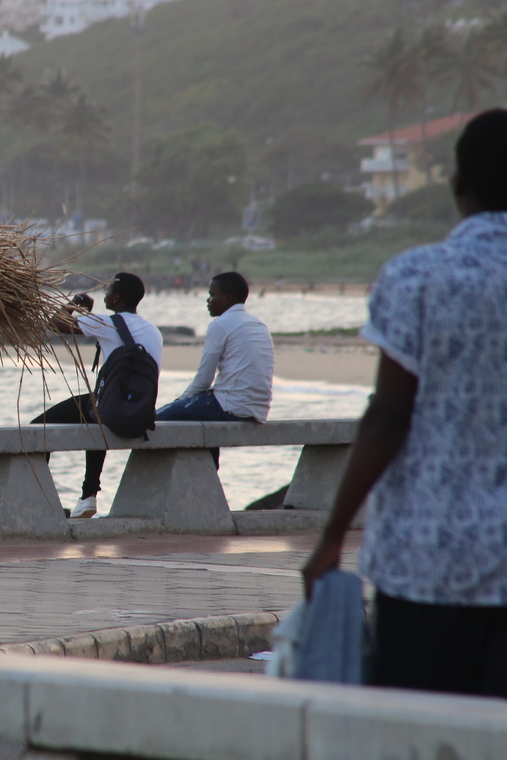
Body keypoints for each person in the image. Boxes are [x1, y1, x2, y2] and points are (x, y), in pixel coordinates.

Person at [302, 108, 507, 697]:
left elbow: (389, 416)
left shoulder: (416, 276)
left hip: (426, 561)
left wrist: (333, 534)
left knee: (415, 731)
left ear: (458, 185)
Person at [32, 272, 163, 519]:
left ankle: (43, 502)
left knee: (37, 428)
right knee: (96, 413)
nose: (104, 294)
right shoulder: (153, 330)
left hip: (111, 407)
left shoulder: (107, 323)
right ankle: (88, 495)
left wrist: (76, 302)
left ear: (115, 298)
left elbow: (55, 323)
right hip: (142, 412)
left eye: (107, 291)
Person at [155, 271, 273, 468]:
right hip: (257, 410)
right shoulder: (258, 324)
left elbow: (203, 379)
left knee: (156, 421)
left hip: (230, 406)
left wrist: (181, 401)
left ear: (228, 298)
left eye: (212, 295)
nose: (208, 301)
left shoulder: (221, 324)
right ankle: (208, 473)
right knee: (202, 411)